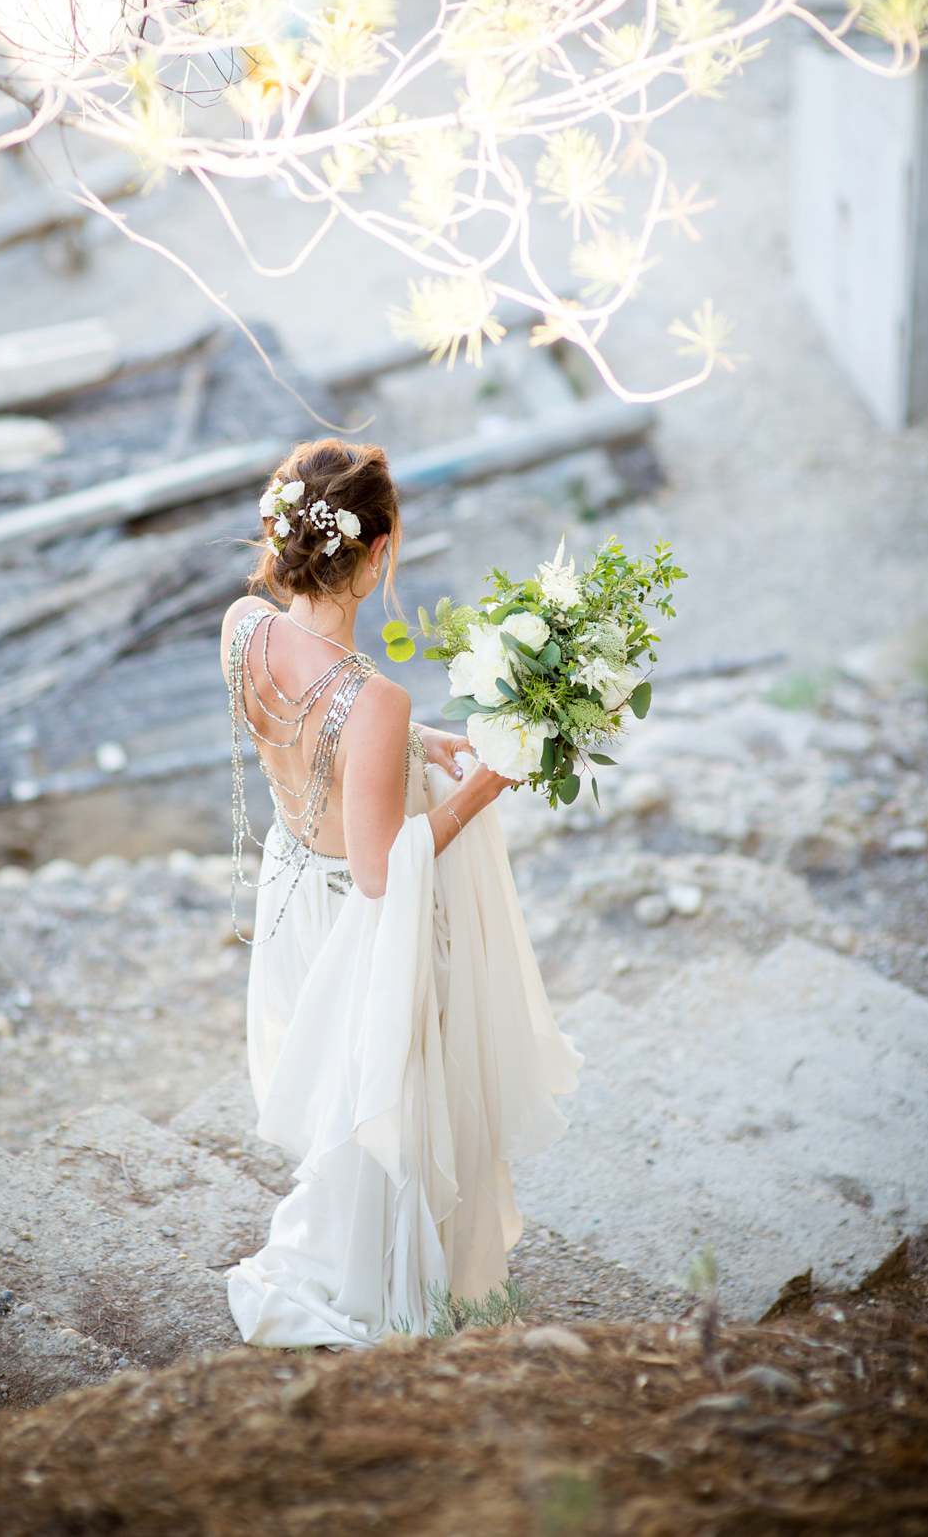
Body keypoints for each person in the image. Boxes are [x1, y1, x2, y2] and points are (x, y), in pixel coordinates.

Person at [220, 438, 582, 1348]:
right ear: (379, 553)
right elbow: (385, 870)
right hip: (351, 917)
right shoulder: (370, 696)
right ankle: (370, 1278)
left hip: (291, 885)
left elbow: (311, 725)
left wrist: (418, 738)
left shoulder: (243, 628)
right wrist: (482, 785)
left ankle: (350, 1243)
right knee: (378, 1097)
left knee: (343, 1098)